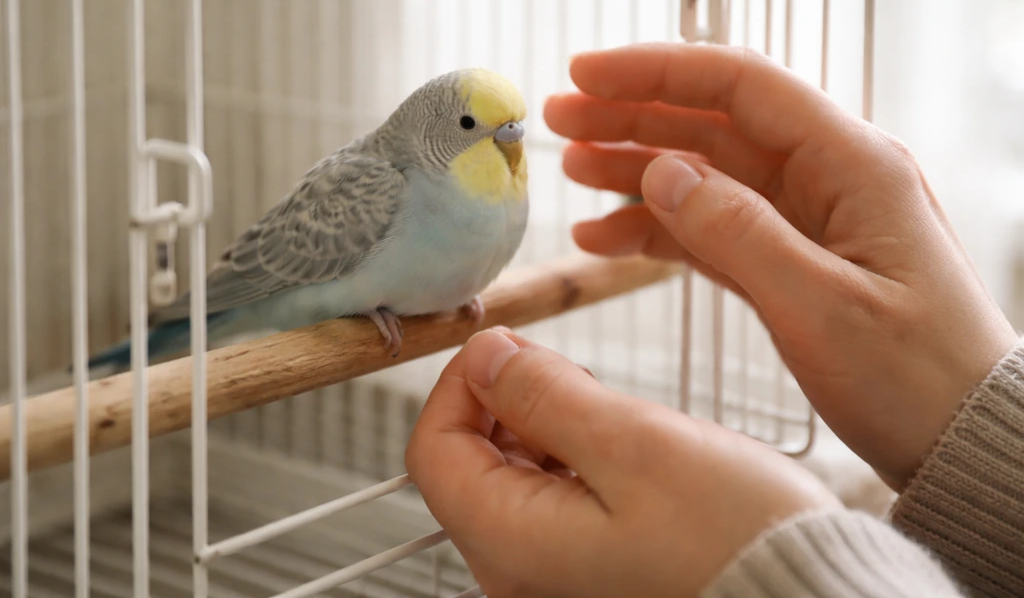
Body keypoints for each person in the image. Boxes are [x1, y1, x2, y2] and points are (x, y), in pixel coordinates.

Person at [404, 43, 1024, 598]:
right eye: (480, 127)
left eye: (514, 128)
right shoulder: (402, 186)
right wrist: (973, 420)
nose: (511, 141)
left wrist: (775, 572)